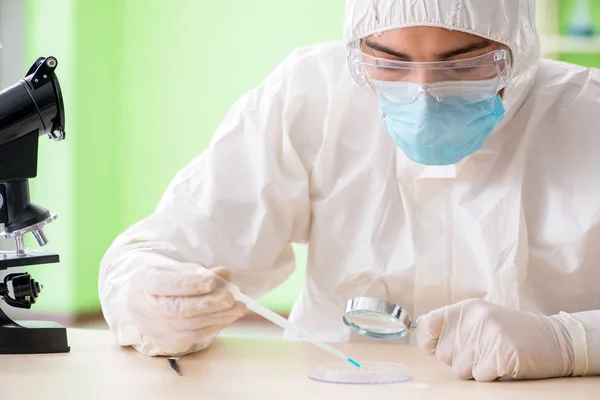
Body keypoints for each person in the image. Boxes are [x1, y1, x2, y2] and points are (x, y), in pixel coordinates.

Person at [99, 0, 600, 382]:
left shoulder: (587, 115)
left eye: (463, 66)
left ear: (519, 49)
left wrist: (571, 344)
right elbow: (157, 250)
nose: (422, 97)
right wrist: (148, 296)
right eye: (389, 63)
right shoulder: (311, 95)